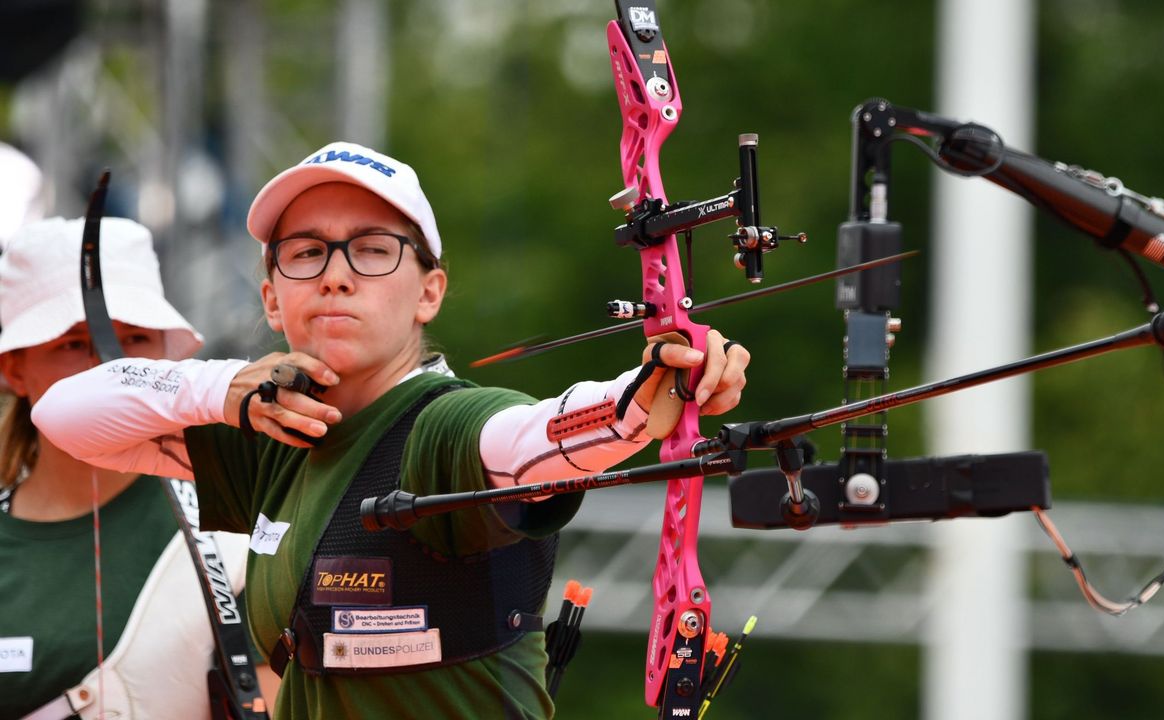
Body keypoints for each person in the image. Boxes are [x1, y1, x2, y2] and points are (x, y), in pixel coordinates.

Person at [32, 141, 750, 719]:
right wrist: (226, 389)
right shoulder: (271, 436)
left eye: (373, 250)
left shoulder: (443, 428)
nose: (336, 277)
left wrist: (645, 392)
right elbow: (62, 415)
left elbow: (536, 436)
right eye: (306, 252)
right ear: (271, 298)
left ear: (428, 291)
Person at [0, 217, 260, 719]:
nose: (110, 372)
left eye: (135, 340)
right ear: (15, 369)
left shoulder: (241, 518)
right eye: (73, 345)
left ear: (168, 355)